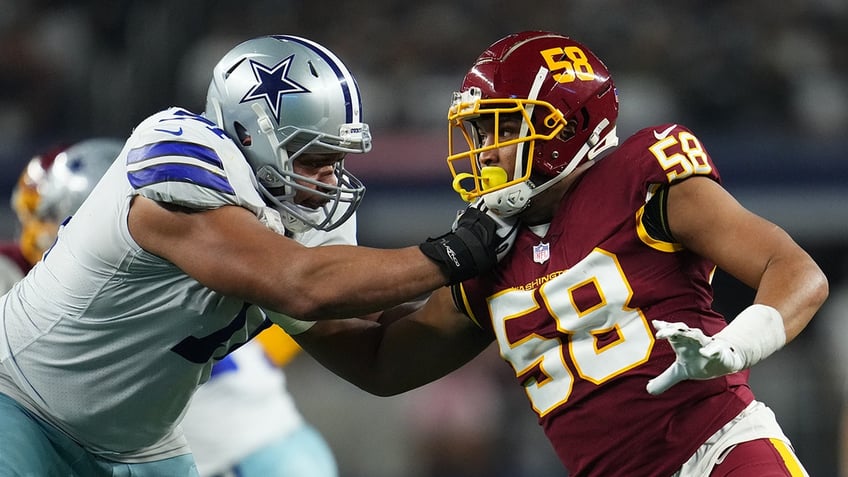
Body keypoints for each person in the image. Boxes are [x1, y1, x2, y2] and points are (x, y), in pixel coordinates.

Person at [287, 31, 829, 476]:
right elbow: (384, 363)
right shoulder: (486, 243)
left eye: (499, 127)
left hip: (722, 453)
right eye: (477, 131)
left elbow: (797, 272)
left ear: (564, 127)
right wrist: (283, 300)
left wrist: (736, 346)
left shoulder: (642, 177)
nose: (484, 150)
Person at [0, 34, 512, 476]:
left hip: (139, 448)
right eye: (313, 159)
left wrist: (489, 300)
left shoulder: (295, 219)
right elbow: (301, 285)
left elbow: (380, 361)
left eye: (335, 162)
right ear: (249, 134)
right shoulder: (173, 154)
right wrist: (456, 251)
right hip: (21, 402)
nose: (328, 182)